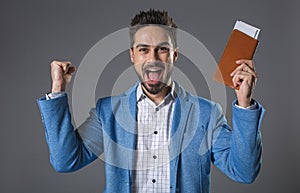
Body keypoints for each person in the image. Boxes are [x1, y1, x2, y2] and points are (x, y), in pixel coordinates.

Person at [37, 9, 265, 193]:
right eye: (144, 50)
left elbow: (244, 172)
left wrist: (244, 103)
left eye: (162, 50)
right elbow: (65, 161)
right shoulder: (108, 112)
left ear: (175, 55)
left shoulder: (207, 113)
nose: (153, 59)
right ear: (132, 55)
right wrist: (58, 90)